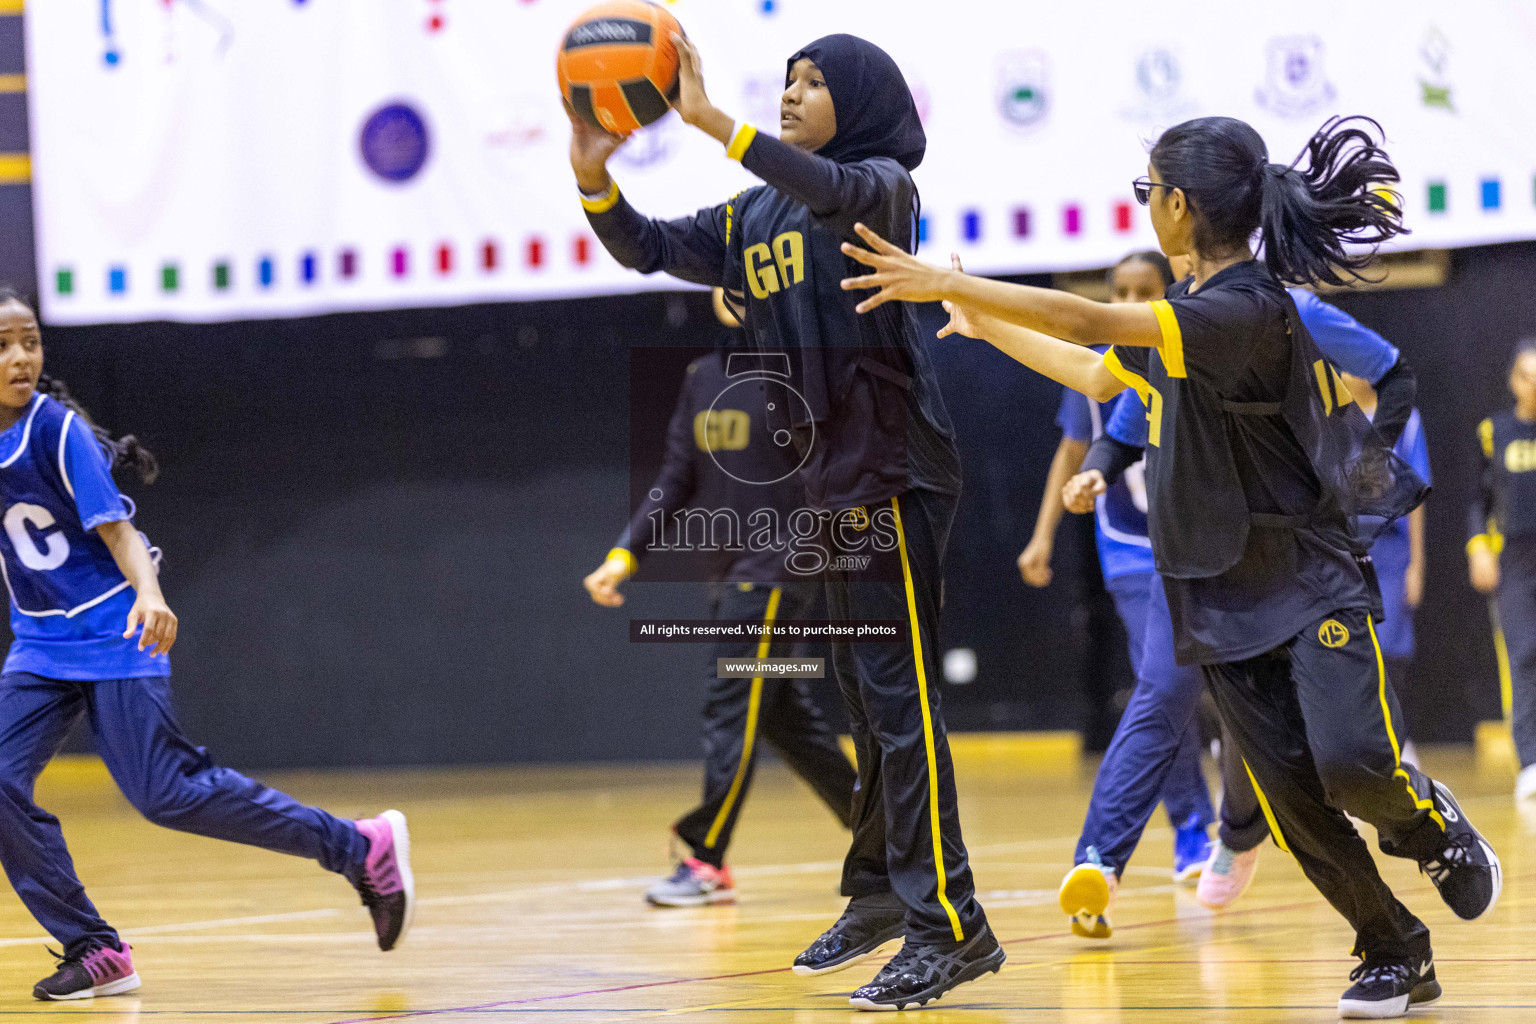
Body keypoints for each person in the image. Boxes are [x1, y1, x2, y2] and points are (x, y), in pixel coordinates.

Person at [839, 115, 1501, 1019]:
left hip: (1304, 582)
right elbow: (1097, 371)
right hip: (1220, 597)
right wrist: (983, 321)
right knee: (1292, 803)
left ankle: (1428, 823)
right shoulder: (1188, 320)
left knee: (1351, 764)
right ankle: (1394, 949)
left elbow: (1087, 317)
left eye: (1148, 192)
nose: (1146, 206)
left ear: (1180, 206)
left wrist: (949, 276)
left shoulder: (1243, 309)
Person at [567, 33, 1003, 1011]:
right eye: (787, 81)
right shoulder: (755, 211)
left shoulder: (882, 186)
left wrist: (715, 120)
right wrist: (595, 179)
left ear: (862, 101)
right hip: (829, 487)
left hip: (894, 468)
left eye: (814, 83)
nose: (795, 93)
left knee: (901, 702)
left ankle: (951, 926)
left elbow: (820, 181)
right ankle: (884, 897)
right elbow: (650, 248)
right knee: (861, 702)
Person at [0, 292, 412, 1001]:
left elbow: (120, 531)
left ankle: (359, 847)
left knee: (165, 794)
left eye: (30, 341)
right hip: (41, 643)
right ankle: (95, 950)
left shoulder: (56, 430)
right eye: (4, 345)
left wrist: (152, 596)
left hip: (115, 628)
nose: (20, 358)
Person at [1065, 287, 1422, 919]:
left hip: (1292, 550)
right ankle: (1100, 860)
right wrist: (979, 312)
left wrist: (1362, 469)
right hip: (1192, 557)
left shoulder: (1298, 312)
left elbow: (1395, 374)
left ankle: (1245, 828)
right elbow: (1107, 402)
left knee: (1300, 734)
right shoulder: (1169, 324)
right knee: (1162, 696)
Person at [582, 292, 856, 908]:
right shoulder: (702, 378)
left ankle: (706, 859)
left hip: (778, 573)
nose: (734, 288)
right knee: (782, 715)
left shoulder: (806, 370)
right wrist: (624, 554)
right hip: (731, 574)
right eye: (721, 276)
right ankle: (886, 832)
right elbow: (676, 475)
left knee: (730, 705)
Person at [1024, 252, 1217, 941]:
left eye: (1147, 290)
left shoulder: (1198, 342)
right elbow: (1076, 452)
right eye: (1123, 292)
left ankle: (1231, 829)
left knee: (1208, 696)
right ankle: (1174, 837)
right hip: (1135, 555)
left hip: (1214, 550)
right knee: (1160, 690)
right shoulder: (1108, 371)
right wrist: (1044, 532)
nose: (1134, 300)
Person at [1469, 339, 1536, 800]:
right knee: (1523, 655)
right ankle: (1530, 762)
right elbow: (1478, 497)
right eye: (1528, 375)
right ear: (1515, 380)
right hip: (1513, 558)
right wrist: (1478, 548)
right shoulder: (1494, 430)